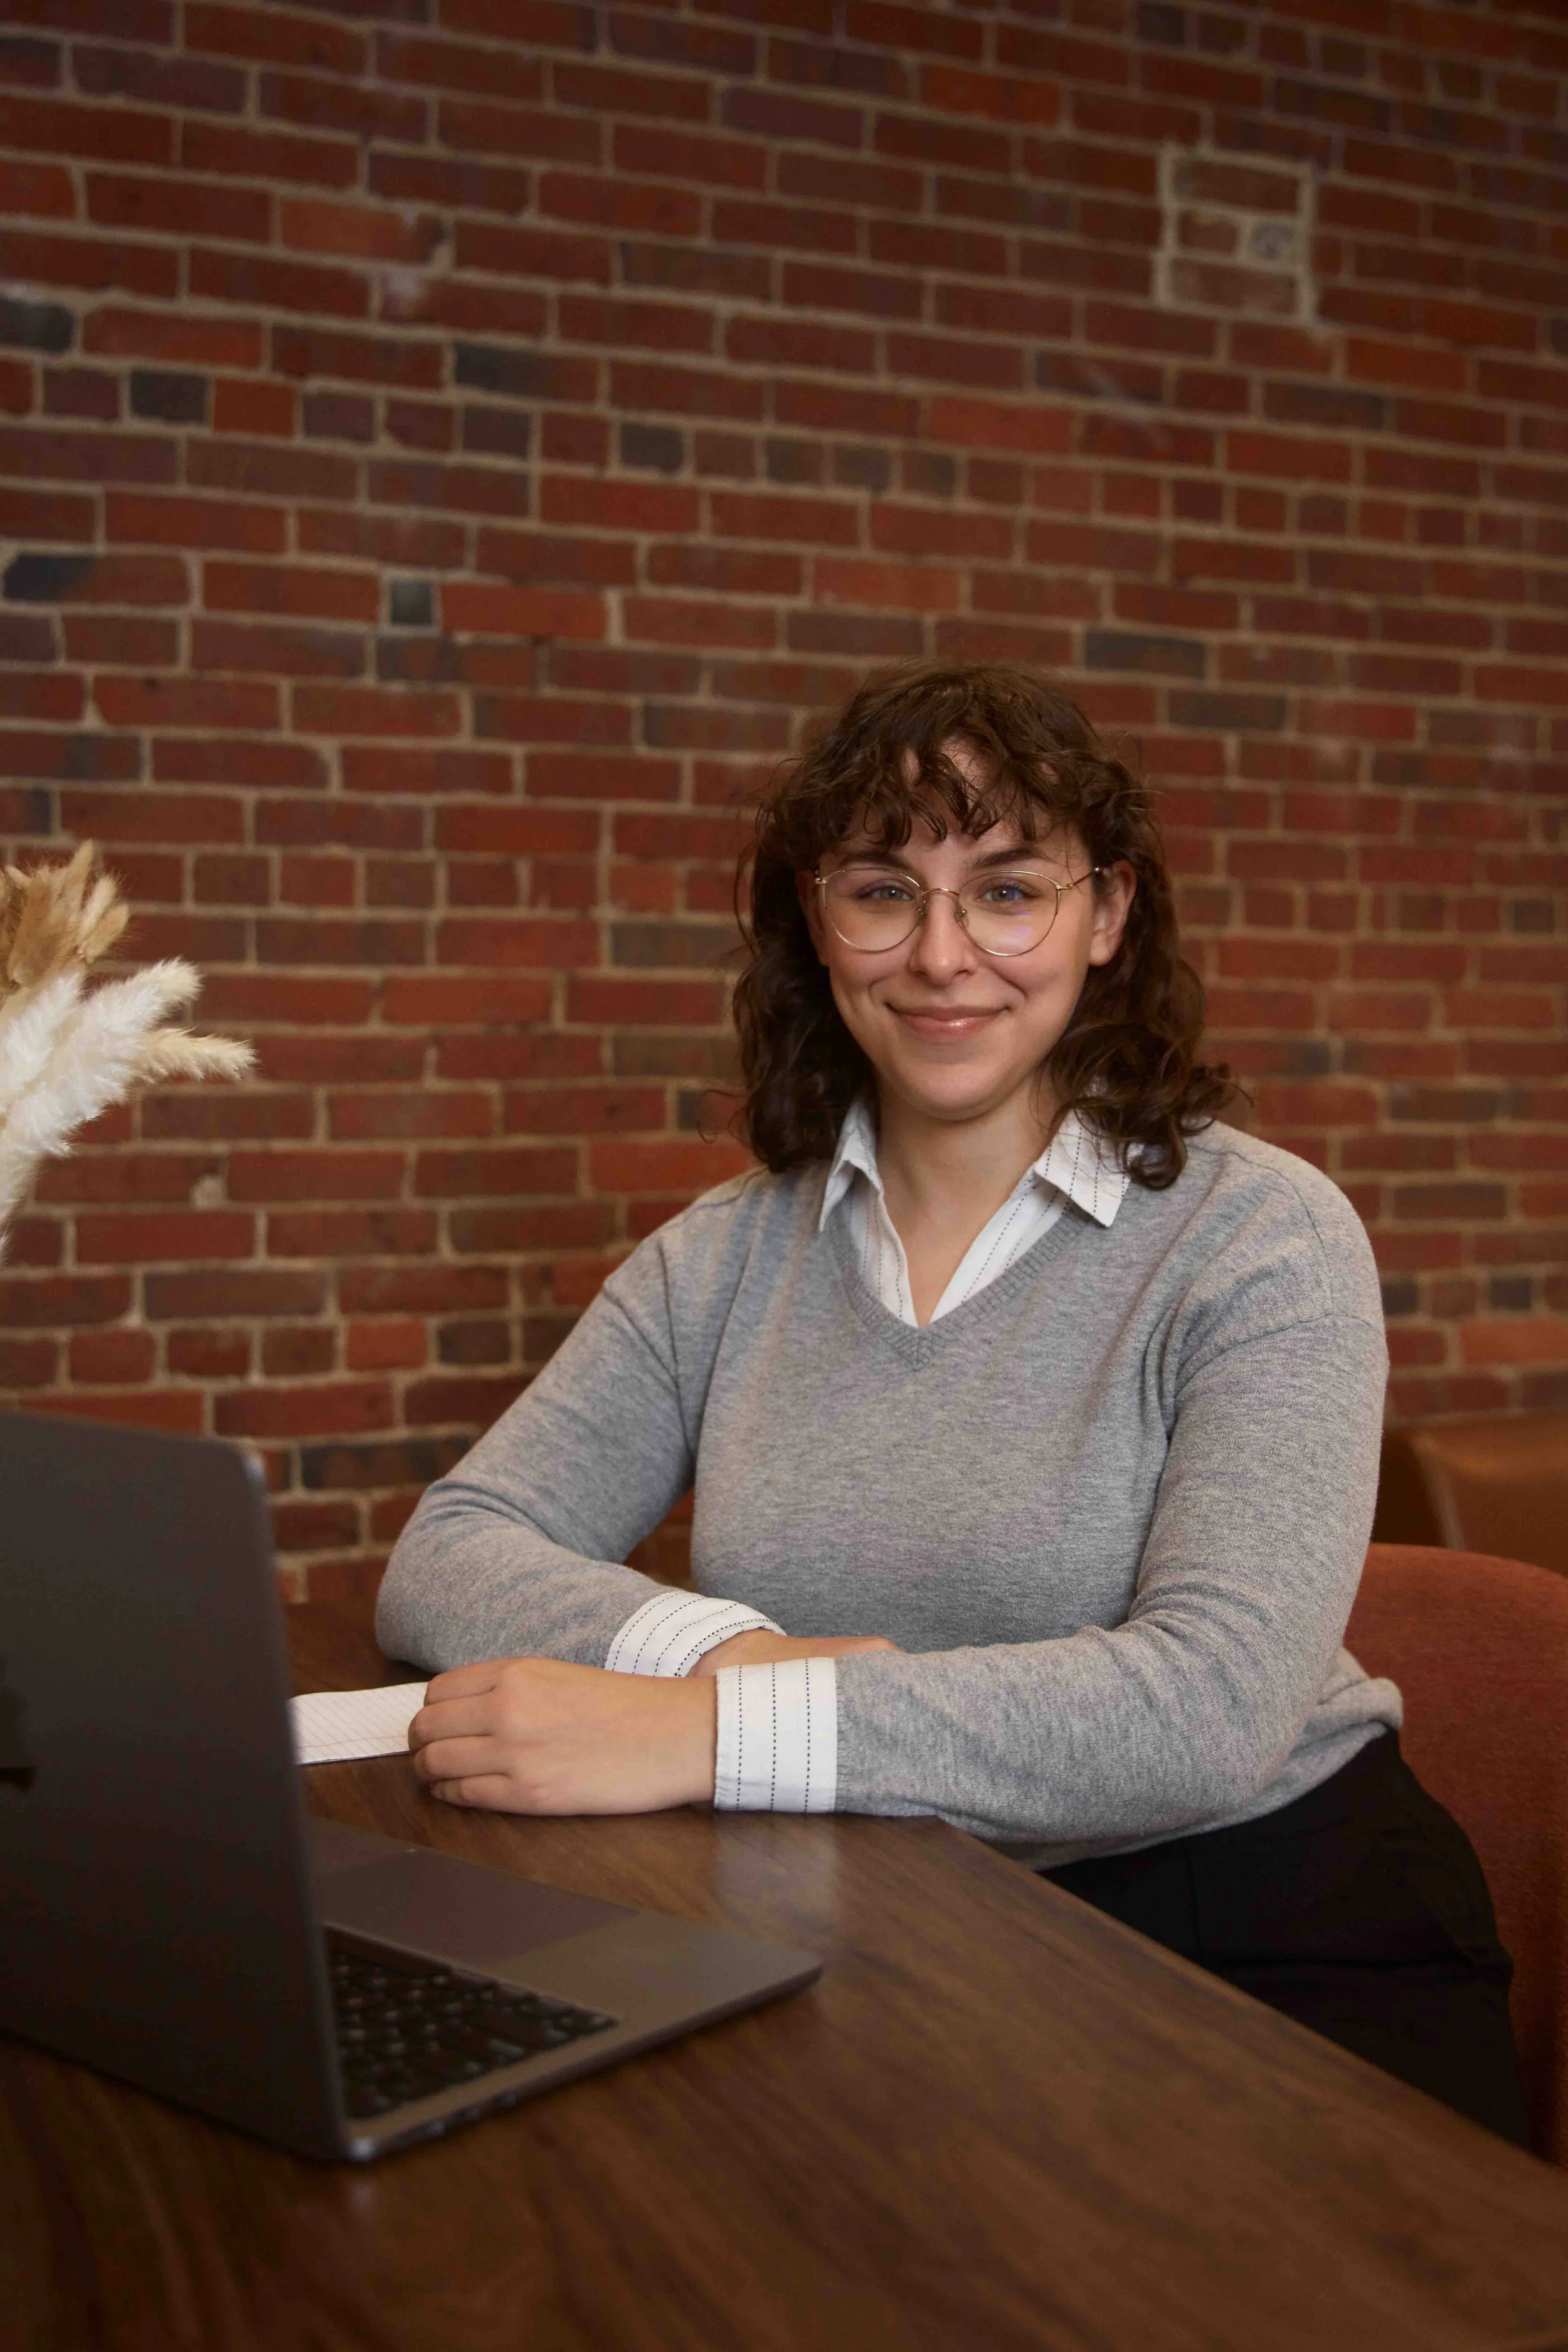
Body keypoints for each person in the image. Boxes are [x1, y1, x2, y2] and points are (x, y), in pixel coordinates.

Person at [378, 662, 1527, 2143]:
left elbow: (1206, 1714)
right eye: (879, 890)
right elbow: (454, 1546)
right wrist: (722, 1649)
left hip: (1253, 1923)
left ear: (1103, 915)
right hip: (872, 1916)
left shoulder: (1262, 1236)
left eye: (1004, 890)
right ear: (817, 919)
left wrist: (712, 1731)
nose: (940, 955)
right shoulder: (725, 1255)